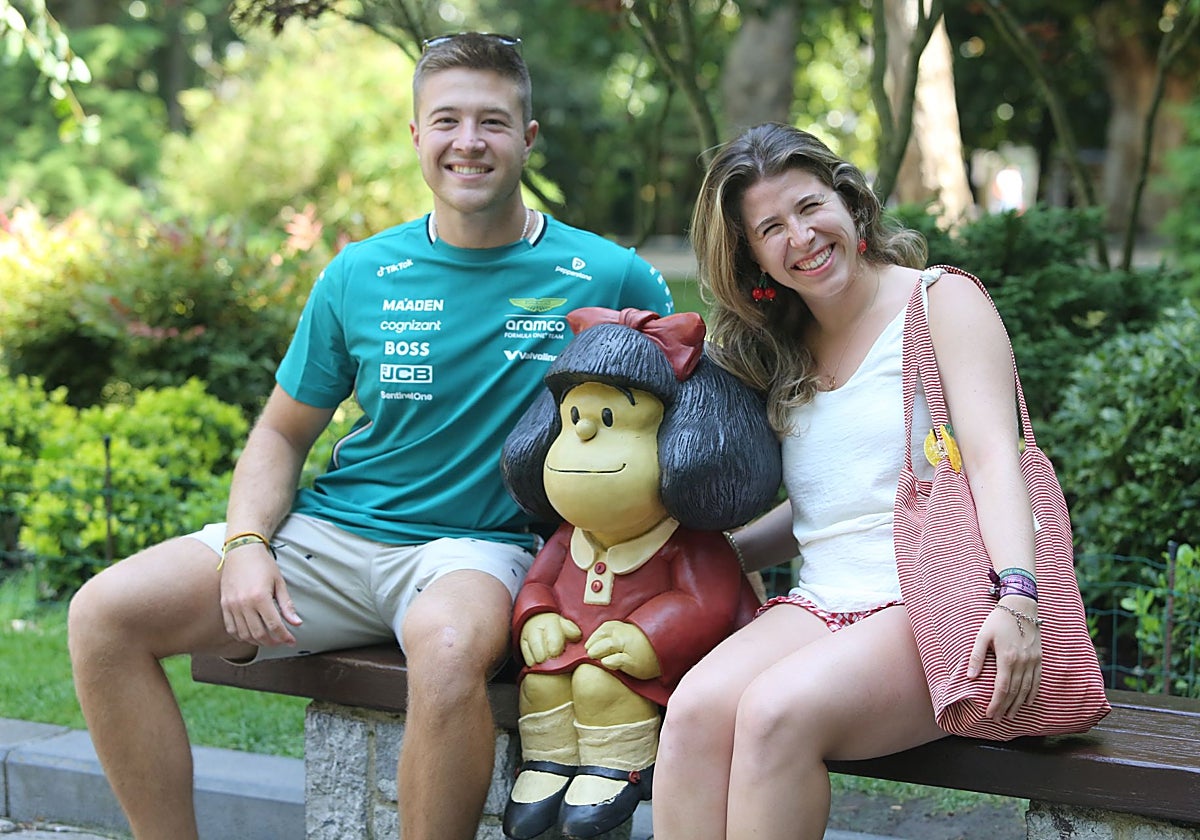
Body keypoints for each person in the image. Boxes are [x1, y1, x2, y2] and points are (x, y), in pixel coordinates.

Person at [67, 32, 672, 840]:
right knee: (103, 615)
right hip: (335, 536)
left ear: (528, 139)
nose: (468, 141)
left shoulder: (609, 275)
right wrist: (246, 543)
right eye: (446, 120)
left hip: (477, 549)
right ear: (416, 136)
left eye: (492, 122)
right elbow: (281, 434)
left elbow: (684, 424)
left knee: (448, 650)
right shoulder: (359, 272)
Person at [650, 122, 1042, 840]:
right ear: (752, 256)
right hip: (824, 604)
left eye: (809, 207)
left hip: (937, 606)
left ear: (850, 201)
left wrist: (1019, 596)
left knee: (774, 714)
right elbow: (827, 509)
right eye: (771, 228)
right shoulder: (783, 346)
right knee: (694, 713)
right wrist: (723, 556)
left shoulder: (939, 301)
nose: (800, 237)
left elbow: (995, 458)